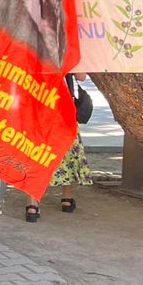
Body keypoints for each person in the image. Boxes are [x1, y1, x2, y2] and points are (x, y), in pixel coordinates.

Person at [25, 73, 92, 222]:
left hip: (35, 102)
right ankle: (67, 199)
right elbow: (81, 77)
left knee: (35, 152)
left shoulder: (30, 55)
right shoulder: (67, 56)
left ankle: (32, 205)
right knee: (66, 151)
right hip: (63, 106)